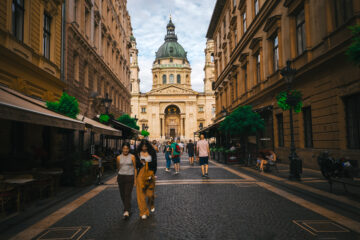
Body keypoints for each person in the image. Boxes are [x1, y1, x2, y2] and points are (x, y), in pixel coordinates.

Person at [136, 140, 157, 220]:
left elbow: (155, 163)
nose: (144, 148)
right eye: (143, 146)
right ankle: (143, 212)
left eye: (145, 146)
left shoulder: (152, 153)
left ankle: (151, 203)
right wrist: (140, 162)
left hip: (150, 173)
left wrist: (153, 173)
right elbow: (136, 164)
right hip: (140, 174)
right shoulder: (138, 154)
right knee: (140, 193)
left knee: (150, 194)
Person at [116, 143, 137, 219]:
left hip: (130, 177)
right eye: (124, 148)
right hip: (121, 177)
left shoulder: (132, 157)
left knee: (127, 194)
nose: (125, 150)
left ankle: (126, 210)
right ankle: (127, 207)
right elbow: (118, 167)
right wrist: (118, 176)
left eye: (127, 148)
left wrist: (135, 179)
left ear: (129, 149)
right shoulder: (118, 157)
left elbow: (135, 168)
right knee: (122, 194)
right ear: (122, 149)